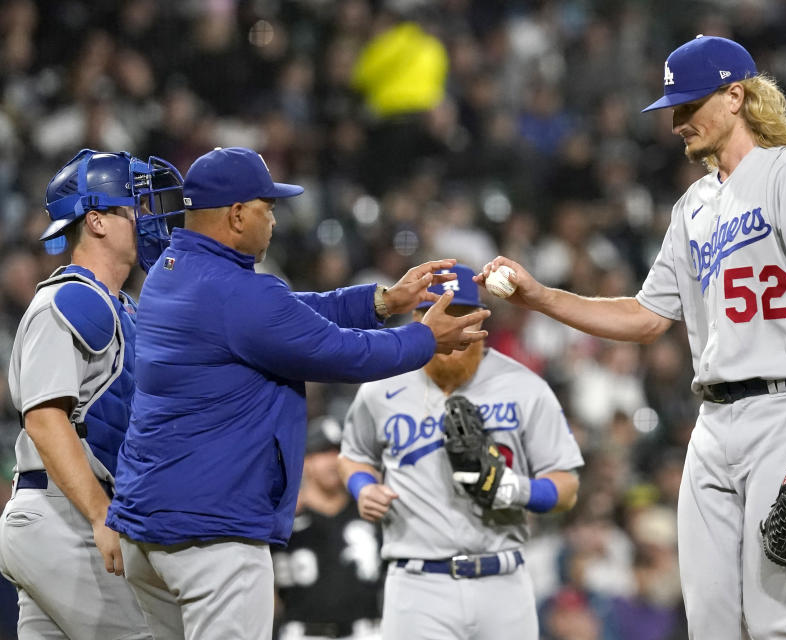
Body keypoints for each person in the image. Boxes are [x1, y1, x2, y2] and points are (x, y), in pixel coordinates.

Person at [476, 35, 786, 639]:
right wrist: (540, 297)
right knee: (709, 625)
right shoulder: (692, 207)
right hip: (713, 424)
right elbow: (647, 317)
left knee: (779, 621)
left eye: (688, 105)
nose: (677, 122)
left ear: (735, 96)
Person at [106, 146, 490, 640]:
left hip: (150, 528)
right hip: (211, 532)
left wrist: (380, 301)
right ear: (238, 214)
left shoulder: (171, 271)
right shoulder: (238, 293)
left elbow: (284, 314)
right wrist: (424, 339)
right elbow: (342, 354)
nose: (274, 222)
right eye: (268, 209)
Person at [339, 263, 584, 640]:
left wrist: (513, 490)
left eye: (460, 315)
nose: (450, 326)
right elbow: (354, 455)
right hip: (417, 583)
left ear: (481, 317)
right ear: (418, 317)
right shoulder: (382, 385)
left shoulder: (524, 386)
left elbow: (567, 486)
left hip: (503, 582)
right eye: (437, 314)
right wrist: (363, 488)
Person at [0, 148, 185, 638]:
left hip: (67, 515)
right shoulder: (69, 299)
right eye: (134, 207)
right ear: (97, 221)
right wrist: (102, 516)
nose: (147, 219)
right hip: (65, 515)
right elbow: (43, 419)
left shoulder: (121, 305)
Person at [272, 417, 383, 640]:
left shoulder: (372, 513)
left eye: (339, 452)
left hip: (369, 631)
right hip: (302, 633)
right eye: (323, 452)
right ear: (305, 460)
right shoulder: (281, 522)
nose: (333, 461)